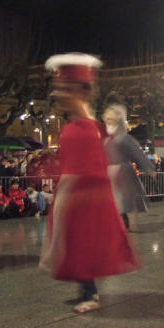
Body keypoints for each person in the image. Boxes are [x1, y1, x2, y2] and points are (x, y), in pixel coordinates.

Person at [39, 53, 138, 313]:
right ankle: (87, 290)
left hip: (82, 197)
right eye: (58, 88)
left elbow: (95, 169)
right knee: (76, 244)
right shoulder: (80, 126)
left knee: (81, 244)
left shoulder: (86, 128)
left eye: (64, 88)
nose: (58, 94)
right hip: (74, 195)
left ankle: (90, 293)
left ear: (80, 91)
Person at [102, 104, 155, 230]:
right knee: (114, 201)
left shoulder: (124, 139)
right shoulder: (106, 140)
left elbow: (136, 153)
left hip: (122, 172)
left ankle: (127, 223)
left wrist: (148, 167)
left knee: (123, 199)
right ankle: (119, 222)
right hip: (109, 173)